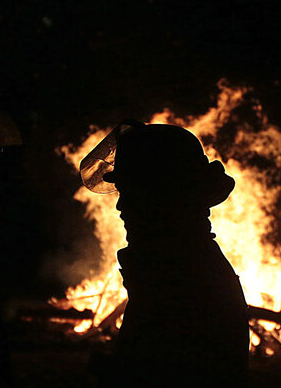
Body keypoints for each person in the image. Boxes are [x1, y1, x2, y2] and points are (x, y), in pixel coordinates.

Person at [84, 122, 249, 387]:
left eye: (133, 191)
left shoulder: (181, 275)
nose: (121, 205)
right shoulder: (174, 263)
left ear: (164, 194)